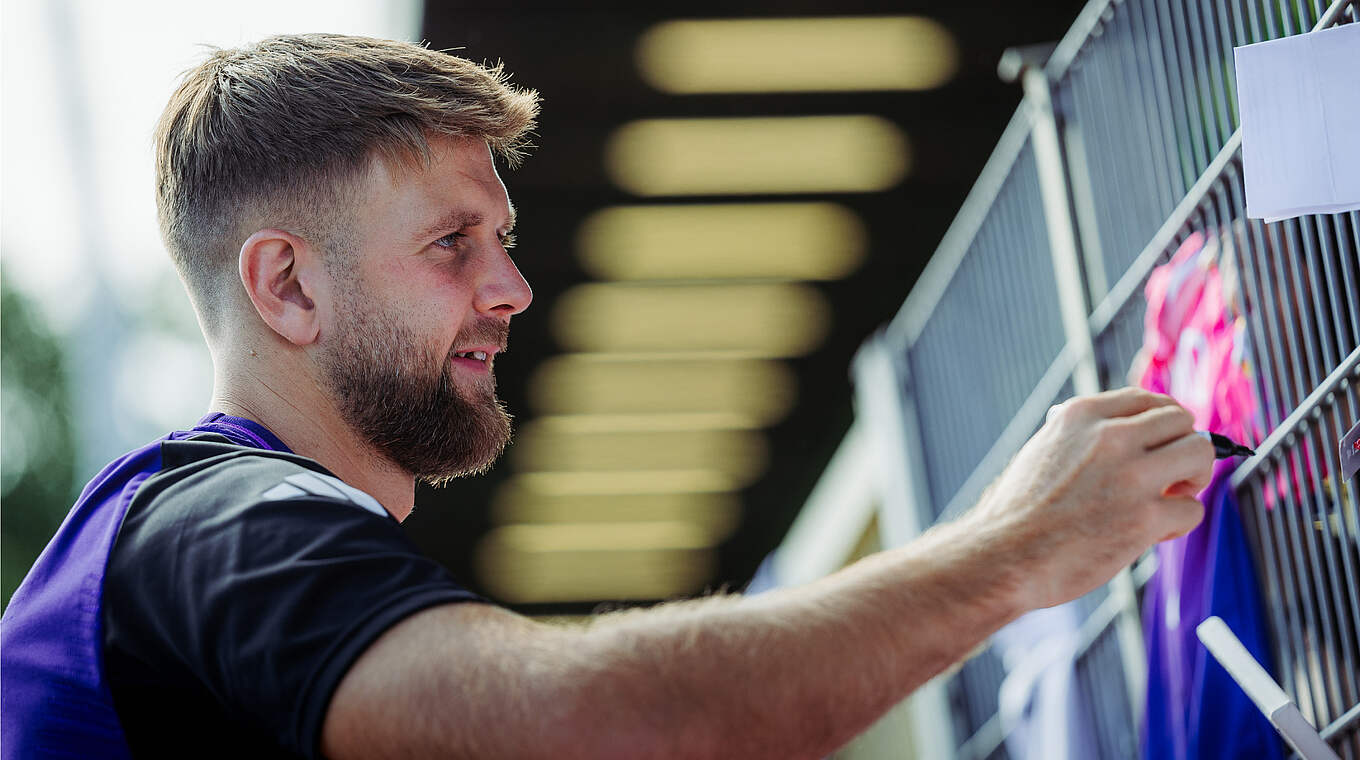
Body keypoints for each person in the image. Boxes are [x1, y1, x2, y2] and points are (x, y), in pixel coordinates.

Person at [0, 33, 1214, 760]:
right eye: (449, 246)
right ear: (286, 285)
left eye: (505, 238)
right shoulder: (223, 527)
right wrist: (1017, 549)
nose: (513, 287)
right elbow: (596, 727)